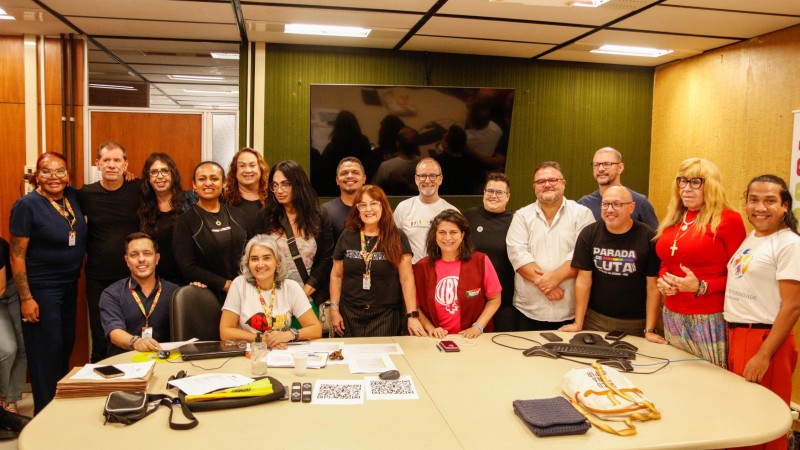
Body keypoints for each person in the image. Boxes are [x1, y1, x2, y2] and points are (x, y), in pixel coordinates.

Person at [725, 174, 800, 450]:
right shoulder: (752, 237)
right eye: (753, 200)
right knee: (742, 421)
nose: (760, 207)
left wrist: (764, 354)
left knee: (762, 426)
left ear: (784, 206)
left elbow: (793, 306)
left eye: (770, 201)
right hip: (738, 336)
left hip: (764, 340)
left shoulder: (789, 243)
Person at [9, 152, 87, 414]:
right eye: (46, 171)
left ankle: (57, 412)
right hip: (41, 291)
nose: (54, 177)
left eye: (60, 171)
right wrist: (26, 298)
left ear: (68, 175)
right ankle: (44, 416)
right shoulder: (27, 206)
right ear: (36, 176)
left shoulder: (72, 197)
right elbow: (16, 255)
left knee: (63, 349)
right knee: (45, 358)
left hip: (69, 288)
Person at [654, 157, 745, 368]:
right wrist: (663, 280)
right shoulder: (674, 219)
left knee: (710, 381)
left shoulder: (728, 220)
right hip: (673, 313)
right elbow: (667, 261)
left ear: (711, 186)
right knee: (679, 378)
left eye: (696, 182)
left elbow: (741, 276)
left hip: (708, 316)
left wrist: (702, 286)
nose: (686, 188)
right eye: (682, 181)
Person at [560, 186, 664, 340]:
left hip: (637, 323)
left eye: (617, 204)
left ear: (631, 207)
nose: (609, 209)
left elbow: (653, 287)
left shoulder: (649, 238)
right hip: (596, 320)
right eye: (605, 204)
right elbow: (583, 281)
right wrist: (578, 323)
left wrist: (649, 330)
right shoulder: (589, 233)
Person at [506, 161, 595, 331]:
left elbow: (582, 255)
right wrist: (548, 286)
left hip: (570, 310)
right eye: (541, 182)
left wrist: (554, 278)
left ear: (563, 183)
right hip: (529, 309)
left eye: (553, 180)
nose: (547, 184)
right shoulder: (522, 216)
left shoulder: (582, 214)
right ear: (534, 187)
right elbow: (518, 255)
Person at [329, 185, 425, 337]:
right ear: (357, 209)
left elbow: (407, 279)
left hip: (386, 315)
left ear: (383, 206)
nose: (369, 209)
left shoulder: (397, 237)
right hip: (350, 313)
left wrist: (412, 316)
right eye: (363, 205)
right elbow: (336, 275)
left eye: (374, 203)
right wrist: (334, 310)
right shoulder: (347, 235)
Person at [78, 140, 143, 362]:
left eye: (117, 160)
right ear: (97, 164)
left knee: (133, 333)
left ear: (126, 165)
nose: (112, 165)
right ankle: (99, 386)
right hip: (99, 277)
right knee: (101, 335)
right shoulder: (86, 194)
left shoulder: (139, 189)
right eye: (106, 160)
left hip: (134, 277)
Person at [255, 160, 334, 314]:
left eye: (285, 184)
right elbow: (255, 258)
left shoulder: (318, 215)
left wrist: (304, 292)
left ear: (298, 184)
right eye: (275, 185)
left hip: (310, 297)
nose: (279, 190)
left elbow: (326, 258)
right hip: (273, 300)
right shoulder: (265, 217)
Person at [220, 235, 322, 348]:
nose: (260, 264)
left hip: (281, 352)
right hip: (250, 354)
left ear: (277, 262)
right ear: (248, 263)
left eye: (266, 258)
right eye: (254, 259)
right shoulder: (239, 285)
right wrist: (262, 339)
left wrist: (287, 335)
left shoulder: (291, 287)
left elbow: (316, 329)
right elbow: (225, 332)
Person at [414, 210, 501, 338]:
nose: (447, 238)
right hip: (435, 340)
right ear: (435, 235)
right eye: (442, 232)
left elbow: (495, 299)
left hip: (475, 339)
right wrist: (430, 328)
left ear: (462, 235)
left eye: (453, 232)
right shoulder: (422, 267)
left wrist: (478, 327)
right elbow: (415, 307)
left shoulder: (480, 261)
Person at [174, 161, 250, 303]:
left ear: (224, 183)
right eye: (202, 179)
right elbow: (187, 267)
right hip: (206, 296)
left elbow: (251, 252)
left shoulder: (238, 215)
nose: (208, 183)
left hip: (245, 292)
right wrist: (225, 285)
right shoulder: (185, 221)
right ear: (194, 185)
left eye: (214, 178)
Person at [99, 233, 179, 357]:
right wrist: (136, 342)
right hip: (125, 365)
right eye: (134, 255)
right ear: (127, 260)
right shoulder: (111, 294)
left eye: (147, 253)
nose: (141, 259)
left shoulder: (176, 293)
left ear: (157, 258)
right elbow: (114, 332)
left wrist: (195, 292)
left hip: (165, 362)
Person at [464, 173, 516, 331]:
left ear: (508, 196)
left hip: (505, 299)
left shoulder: (517, 220)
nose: (494, 196)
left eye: (499, 192)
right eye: (490, 191)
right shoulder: (468, 217)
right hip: (471, 298)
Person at [394, 157, 458, 264]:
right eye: (422, 176)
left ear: (440, 179)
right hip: (410, 273)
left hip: (441, 273)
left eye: (433, 176)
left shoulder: (452, 211)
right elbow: (391, 241)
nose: (427, 181)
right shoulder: (403, 208)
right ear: (416, 179)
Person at [578, 147, 659, 228]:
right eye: (596, 165)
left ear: (620, 168)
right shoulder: (583, 204)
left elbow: (654, 238)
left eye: (607, 164)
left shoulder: (640, 203)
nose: (600, 169)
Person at [138, 152, 187, 285]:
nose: (160, 176)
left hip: (187, 280)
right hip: (155, 281)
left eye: (165, 171)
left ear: (173, 174)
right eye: (154, 172)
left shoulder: (189, 202)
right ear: (148, 177)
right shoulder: (143, 208)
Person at [319, 110, 372, 196]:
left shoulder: (333, 146)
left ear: (336, 126)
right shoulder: (363, 142)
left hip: (334, 190)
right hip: (361, 189)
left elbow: (323, 170)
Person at [0, 238, 25, 414]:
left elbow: (0, 287)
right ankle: (1, 397)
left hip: (11, 290)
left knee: (24, 347)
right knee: (8, 350)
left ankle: (11, 400)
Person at [222, 148, 270, 231]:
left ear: (261, 169)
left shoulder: (273, 197)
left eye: (252, 165)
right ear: (235, 171)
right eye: (242, 166)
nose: (248, 170)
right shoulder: (224, 200)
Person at [322, 157, 366, 242]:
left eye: (355, 172)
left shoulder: (375, 210)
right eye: (344, 173)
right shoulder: (325, 211)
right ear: (337, 180)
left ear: (364, 179)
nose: (349, 176)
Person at [372, 127, 422, 195]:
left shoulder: (386, 166)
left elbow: (373, 189)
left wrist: (389, 164)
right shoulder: (425, 164)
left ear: (398, 143)